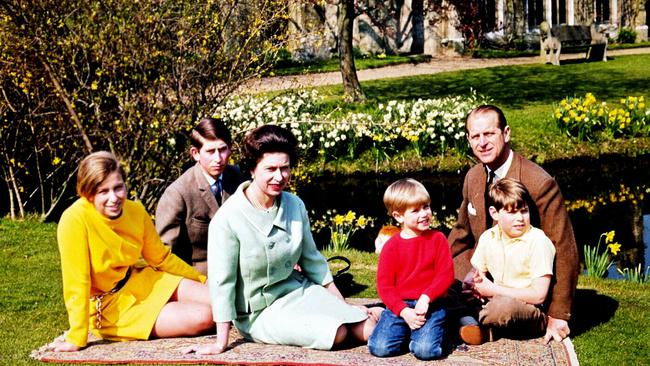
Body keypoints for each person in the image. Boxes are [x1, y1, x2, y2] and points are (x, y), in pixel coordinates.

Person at [185, 124, 381, 355]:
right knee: (336, 333)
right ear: (252, 169)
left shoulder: (295, 205)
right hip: (258, 313)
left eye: (285, 168)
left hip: (299, 291)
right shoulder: (228, 219)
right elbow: (222, 284)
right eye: (270, 169)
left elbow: (313, 262)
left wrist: (343, 306)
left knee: (367, 327)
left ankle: (392, 317)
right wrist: (220, 342)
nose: (280, 177)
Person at [50, 151, 213, 352]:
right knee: (206, 317)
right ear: (88, 193)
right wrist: (77, 336)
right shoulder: (74, 220)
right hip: (110, 307)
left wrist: (201, 279)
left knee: (220, 300)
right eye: (103, 191)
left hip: (140, 280)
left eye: (118, 188)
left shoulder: (135, 210)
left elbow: (160, 257)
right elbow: (77, 282)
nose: (114, 198)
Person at [448, 105, 579, 344]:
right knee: (443, 283)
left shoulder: (539, 182)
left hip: (525, 287)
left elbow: (563, 247)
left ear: (505, 133)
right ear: (468, 140)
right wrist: (436, 269)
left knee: (502, 308)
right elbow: (461, 232)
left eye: (489, 134)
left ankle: (469, 320)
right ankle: (463, 315)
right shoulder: (474, 177)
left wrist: (558, 314)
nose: (482, 143)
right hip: (488, 268)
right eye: (475, 136)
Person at [459, 178, 556, 344]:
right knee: (452, 294)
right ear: (494, 213)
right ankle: (477, 325)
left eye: (524, 211)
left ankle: (481, 328)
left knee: (502, 308)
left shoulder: (538, 241)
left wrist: (492, 290)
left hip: (528, 309)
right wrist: (471, 283)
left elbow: (539, 295)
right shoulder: (489, 237)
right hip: (494, 300)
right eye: (512, 212)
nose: (520, 218)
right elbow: (476, 271)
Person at [368, 178, 454, 360]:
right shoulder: (392, 246)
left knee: (425, 351)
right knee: (379, 348)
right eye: (415, 210)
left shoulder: (438, 239)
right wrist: (403, 311)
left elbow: (445, 275)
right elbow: (384, 287)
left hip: (430, 304)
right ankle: (403, 327)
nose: (424, 214)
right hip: (400, 307)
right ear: (398, 216)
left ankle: (440, 331)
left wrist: (427, 297)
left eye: (426, 207)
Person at [156, 117, 244, 274]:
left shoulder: (239, 178)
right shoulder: (177, 194)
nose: (218, 159)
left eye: (222, 150)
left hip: (243, 269)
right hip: (200, 279)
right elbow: (165, 255)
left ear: (230, 148)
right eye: (210, 151)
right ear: (195, 153)